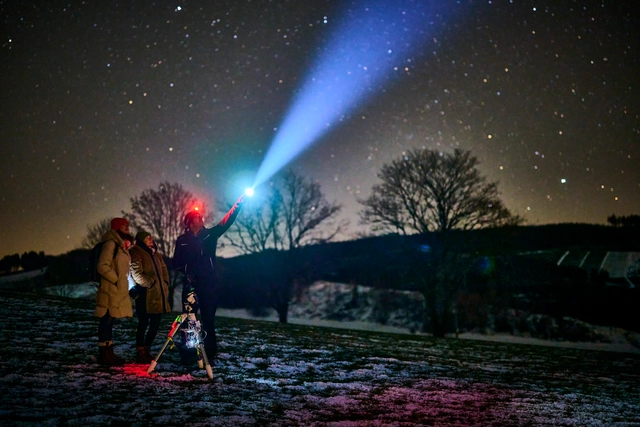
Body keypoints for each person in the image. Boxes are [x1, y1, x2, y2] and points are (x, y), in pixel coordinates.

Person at [172, 195, 245, 364]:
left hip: (209, 285)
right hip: (190, 285)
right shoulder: (182, 241)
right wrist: (187, 272)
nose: (200, 219)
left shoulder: (210, 235)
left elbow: (226, 221)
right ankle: (189, 352)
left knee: (208, 320)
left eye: (200, 217)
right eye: (196, 217)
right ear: (189, 222)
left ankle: (209, 353)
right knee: (189, 318)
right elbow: (176, 262)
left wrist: (239, 203)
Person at [94, 217, 135, 366]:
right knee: (106, 320)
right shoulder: (111, 244)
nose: (127, 227)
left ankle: (109, 352)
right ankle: (104, 353)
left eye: (127, 225)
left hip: (117, 290)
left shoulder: (121, 246)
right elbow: (102, 266)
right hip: (110, 289)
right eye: (123, 225)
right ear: (116, 227)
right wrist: (116, 280)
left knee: (110, 321)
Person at [129, 231, 171, 363]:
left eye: (150, 237)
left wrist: (165, 282)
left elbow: (164, 269)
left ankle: (147, 348)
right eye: (147, 238)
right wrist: (151, 283)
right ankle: (140, 351)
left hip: (158, 294)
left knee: (155, 323)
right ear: (141, 240)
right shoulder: (136, 252)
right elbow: (136, 272)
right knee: (143, 323)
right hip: (145, 294)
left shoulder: (155, 253)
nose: (150, 239)